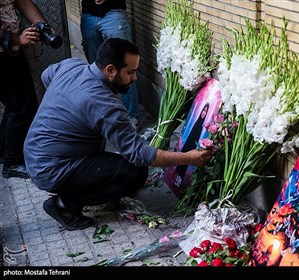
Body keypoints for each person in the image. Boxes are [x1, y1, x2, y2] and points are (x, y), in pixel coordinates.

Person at [23, 38, 213, 231]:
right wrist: (189, 158)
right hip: (51, 169)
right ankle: (65, 205)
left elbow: (47, 76)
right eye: (130, 72)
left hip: (34, 154)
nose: (135, 78)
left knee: (116, 163)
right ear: (111, 70)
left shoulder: (71, 66)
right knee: (135, 172)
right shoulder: (105, 106)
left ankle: (82, 188)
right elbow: (139, 154)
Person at [0, 0, 51, 179]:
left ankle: (5, 151)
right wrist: (18, 39)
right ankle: (12, 163)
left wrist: (44, 26)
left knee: (17, 103)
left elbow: (23, 1)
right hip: (4, 50)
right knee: (22, 105)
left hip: (9, 48)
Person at [80, 0, 141, 130]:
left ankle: (130, 116)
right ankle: (101, 114)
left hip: (114, 12)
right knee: (95, 69)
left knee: (125, 67)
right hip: (87, 14)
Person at [172, 103, 209, 187]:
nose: (203, 113)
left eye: (206, 111)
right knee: (182, 159)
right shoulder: (197, 122)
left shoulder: (203, 126)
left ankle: (179, 180)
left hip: (192, 147)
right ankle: (175, 176)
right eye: (203, 110)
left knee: (186, 163)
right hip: (188, 145)